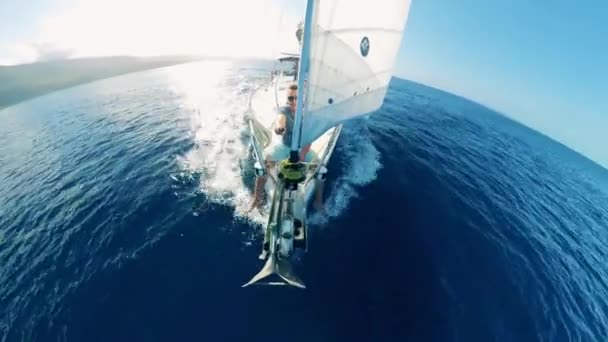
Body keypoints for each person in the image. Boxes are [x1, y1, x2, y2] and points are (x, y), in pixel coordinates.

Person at [248, 83, 325, 212]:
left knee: (320, 169)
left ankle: (318, 202)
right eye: (290, 98)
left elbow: (309, 137)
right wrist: (279, 128)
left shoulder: (307, 113)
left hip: (303, 148)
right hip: (284, 147)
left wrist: (303, 153)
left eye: (297, 98)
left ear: (302, 98)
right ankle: (256, 198)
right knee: (263, 165)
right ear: (287, 99)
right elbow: (280, 120)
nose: (294, 101)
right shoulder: (284, 111)